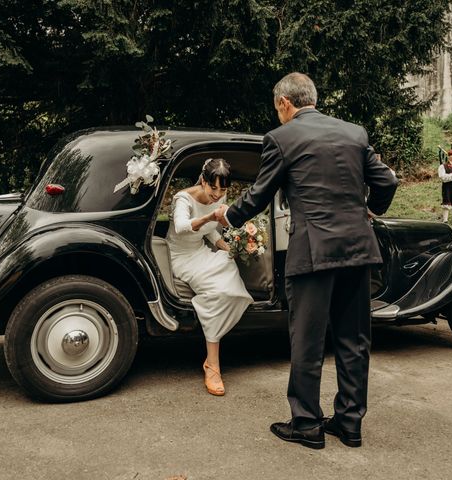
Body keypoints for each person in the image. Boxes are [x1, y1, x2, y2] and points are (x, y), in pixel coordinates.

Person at [215, 72, 398, 449]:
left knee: (308, 340)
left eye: (276, 107)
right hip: (358, 250)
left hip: (313, 253)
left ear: (285, 103)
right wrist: (369, 211)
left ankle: (307, 425)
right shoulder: (355, 133)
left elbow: (259, 195)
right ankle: (349, 423)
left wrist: (229, 217)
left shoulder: (281, 138)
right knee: (354, 339)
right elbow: (387, 182)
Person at [166, 158, 253, 396]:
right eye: (213, 187)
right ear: (203, 181)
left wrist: (230, 247)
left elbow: (211, 232)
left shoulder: (218, 198)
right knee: (218, 293)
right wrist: (210, 217)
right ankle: (212, 364)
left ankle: (215, 324)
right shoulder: (182, 198)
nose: (217, 194)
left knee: (229, 269)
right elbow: (182, 226)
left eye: (223, 190)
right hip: (181, 257)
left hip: (200, 251)